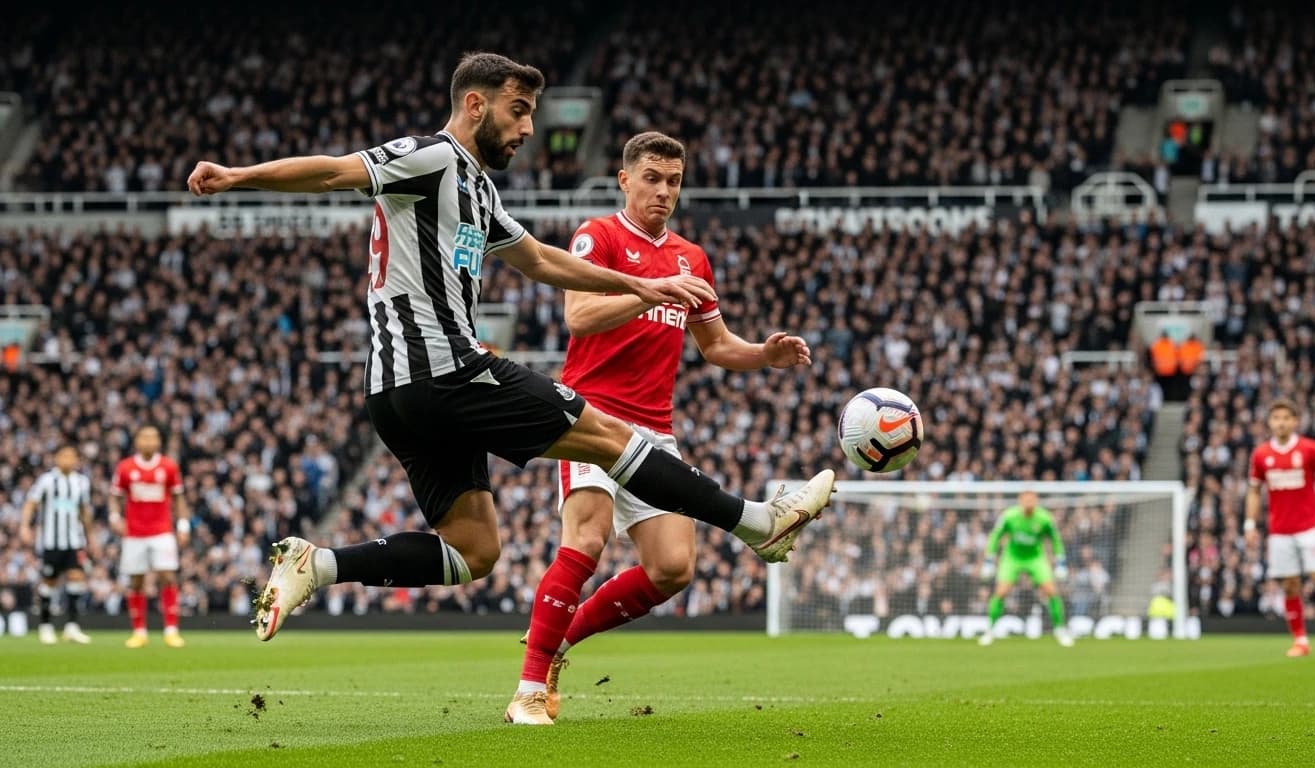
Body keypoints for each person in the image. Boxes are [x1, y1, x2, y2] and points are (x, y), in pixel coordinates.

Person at [185, 52, 834, 648]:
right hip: (444, 369)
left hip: (395, 393)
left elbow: (542, 261)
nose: (527, 129)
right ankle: (757, 522)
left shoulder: (479, 190)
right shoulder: (433, 158)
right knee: (607, 433)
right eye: (518, 110)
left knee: (474, 551)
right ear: (475, 104)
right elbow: (336, 172)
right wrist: (238, 176)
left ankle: (318, 563)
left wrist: (644, 282)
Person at [508, 132, 813, 724]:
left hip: (654, 430)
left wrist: (764, 355)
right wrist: (646, 290)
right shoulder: (599, 237)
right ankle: (527, 691)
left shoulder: (691, 258)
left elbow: (717, 345)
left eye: (673, 181)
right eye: (652, 177)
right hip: (589, 416)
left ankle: (557, 645)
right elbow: (580, 315)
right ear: (625, 179)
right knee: (587, 538)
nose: (664, 191)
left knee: (673, 568)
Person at [1244, 398, 1315, 657]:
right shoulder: (1261, 454)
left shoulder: (1309, 449)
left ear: (1295, 421)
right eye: (1276, 418)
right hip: (1279, 530)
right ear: (1269, 422)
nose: (1281, 422)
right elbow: (1254, 491)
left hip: (1310, 528)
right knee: (1290, 585)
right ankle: (1300, 640)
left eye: (1286, 418)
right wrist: (1250, 524)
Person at [109, 425, 190, 648]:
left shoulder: (168, 466)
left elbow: (179, 498)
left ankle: (171, 630)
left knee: (168, 576)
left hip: (162, 531)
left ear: (158, 442)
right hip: (134, 533)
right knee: (136, 581)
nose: (148, 441)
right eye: (144, 437)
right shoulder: (125, 468)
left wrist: (183, 525)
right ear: (136, 441)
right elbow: (114, 496)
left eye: (153, 437)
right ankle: (139, 632)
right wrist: (115, 518)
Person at [19, 444, 94, 645]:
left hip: (75, 540)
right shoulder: (47, 480)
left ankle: (71, 626)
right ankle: (45, 625)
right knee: (50, 581)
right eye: (64, 456)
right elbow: (31, 503)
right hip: (52, 541)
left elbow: (84, 511)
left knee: (76, 578)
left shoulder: (82, 482)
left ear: (77, 460)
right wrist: (25, 527)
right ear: (56, 458)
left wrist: (91, 537)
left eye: (71, 456)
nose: (68, 460)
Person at [977, 490, 1073, 647]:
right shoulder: (1009, 516)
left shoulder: (1044, 518)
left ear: (1036, 501)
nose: (1029, 503)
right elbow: (995, 536)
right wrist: (989, 560)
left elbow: (1055, 539)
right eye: (1026, 499)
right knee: (1001, 592)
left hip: (1036, 558)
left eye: (1032, 500)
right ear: (1020, 501)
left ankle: (1060, 630)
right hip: (1012, 557)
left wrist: (1060, 562)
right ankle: (990, 630)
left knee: (1051, 591)